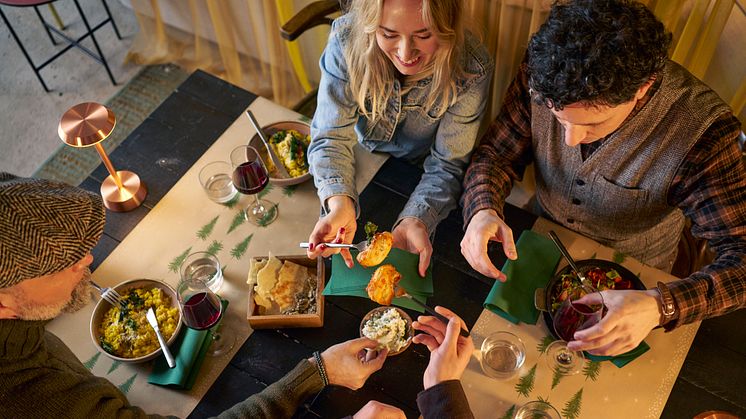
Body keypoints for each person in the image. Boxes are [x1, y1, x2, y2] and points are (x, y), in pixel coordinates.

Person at [460, 0, 746, 356]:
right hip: (540, 243)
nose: (570, 139)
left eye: (591, 124)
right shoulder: (543, 70)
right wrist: (482, 209)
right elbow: (496, 156)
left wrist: (661, 305)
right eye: (559, 119)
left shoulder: (704, 135)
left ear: (642, 88)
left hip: (637, 282)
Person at [0, 173, 391, 418]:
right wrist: (317, 373)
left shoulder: (18, 314)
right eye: (63, 264)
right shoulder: (32, 395)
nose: (87, 260)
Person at [306, 0, 494, 276]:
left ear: (448, 27)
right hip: (354, 157)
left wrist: (417, 218)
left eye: (424, 35)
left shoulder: (471, 68)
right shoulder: (346, 39)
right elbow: (331, 136)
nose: (406, 53)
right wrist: (338, 202)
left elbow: (448, 165)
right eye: (389, 34)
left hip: (420, 174)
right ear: (370, 26)